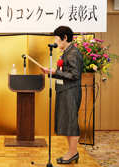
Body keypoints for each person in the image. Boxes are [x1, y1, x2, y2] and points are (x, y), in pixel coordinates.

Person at [40, 26, 83, 164]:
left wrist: (55, 72)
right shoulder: (67, 52)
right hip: (64, 91)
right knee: (67, 123)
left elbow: (75, 75)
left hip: (71, 92)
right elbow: (65, 73)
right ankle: (72, 152)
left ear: (65, 37)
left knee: (71, 123)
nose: (55, 41)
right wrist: (50, 72)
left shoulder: (74, 53)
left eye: (56, 38)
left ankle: (73, 153)